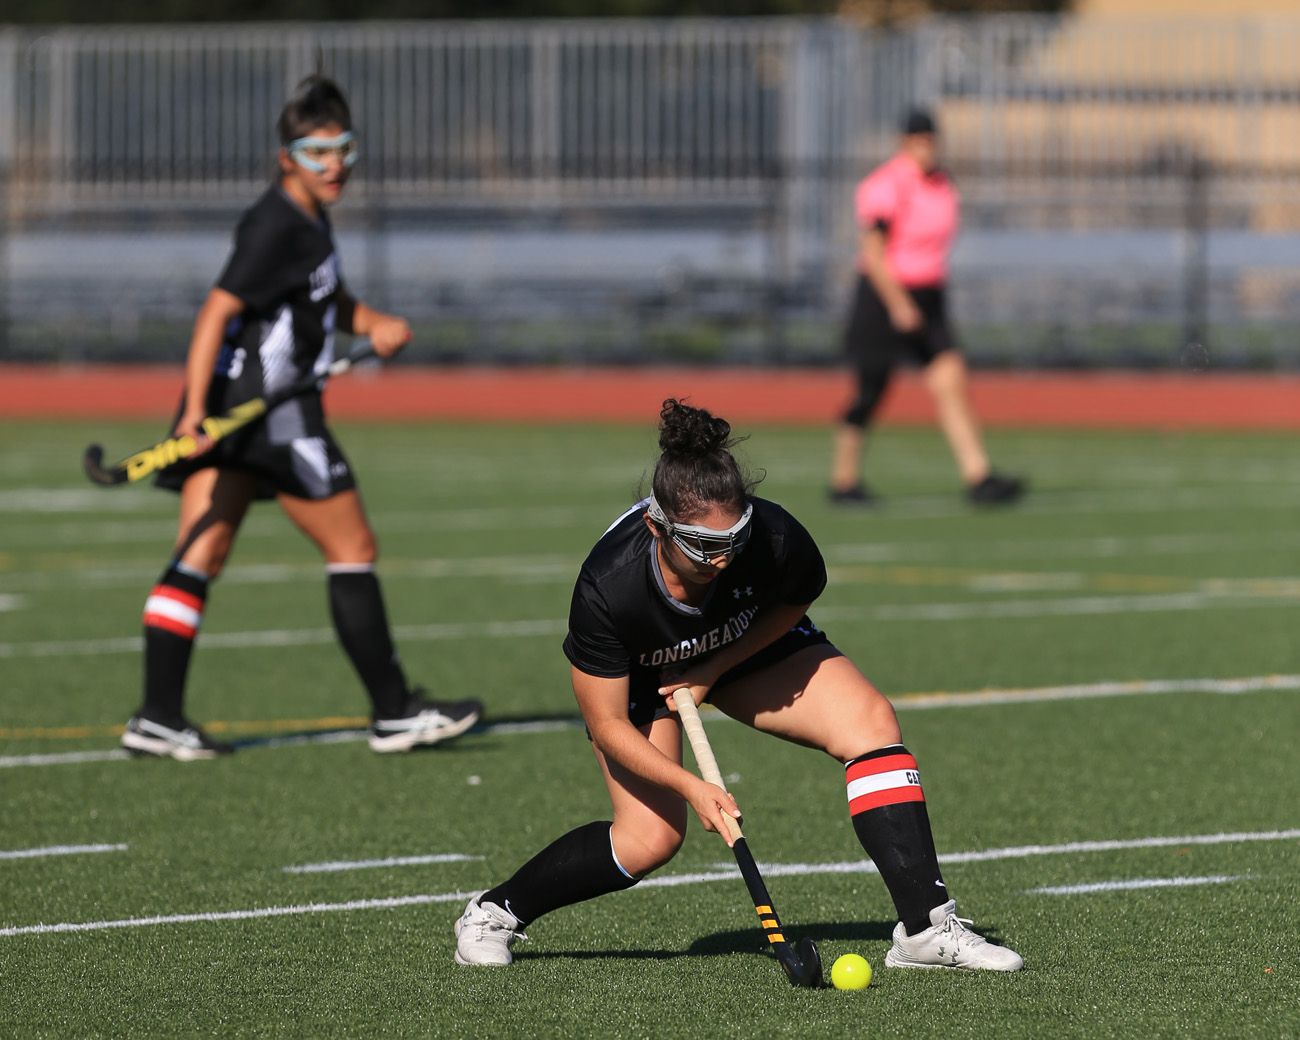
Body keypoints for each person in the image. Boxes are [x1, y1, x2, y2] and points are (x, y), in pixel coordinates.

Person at [453, 398, 1022, 972]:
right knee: (648, 839)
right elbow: (607, 724)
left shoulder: (772, 537)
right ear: (657, 526)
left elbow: (798, 595)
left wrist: (711, 669)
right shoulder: (609, 588)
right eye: (703, 547)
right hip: (645, 668)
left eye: (734, 540)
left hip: (736, 640)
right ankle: (494, 911)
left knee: (871, 723)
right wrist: (691, 786)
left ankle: (924, 929)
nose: (723, 560)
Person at [120, 74, 481, 760]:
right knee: (353, 548)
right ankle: (394, 712)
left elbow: (325, 299)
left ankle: (156, 716)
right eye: (317, 153)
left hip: (243, 414)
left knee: (201, 553)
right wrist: (193, 411)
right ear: (286, 156)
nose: (335, 164)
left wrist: (371, 323)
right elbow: (216, 313)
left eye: (343, 148)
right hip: (272, 413)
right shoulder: (276, 224)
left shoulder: (308, 216)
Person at [829, 107, 1024, 507]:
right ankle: (843, 481)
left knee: (951, 380)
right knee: (870, 390)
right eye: (918, 141)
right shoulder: (886, 185)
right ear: (904, 143)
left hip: (929, 296)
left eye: (931, 141)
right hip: (884, 296)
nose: (926, 149)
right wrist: (899, 304)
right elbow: (874, 253)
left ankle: (979, 475)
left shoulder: (941, 184)